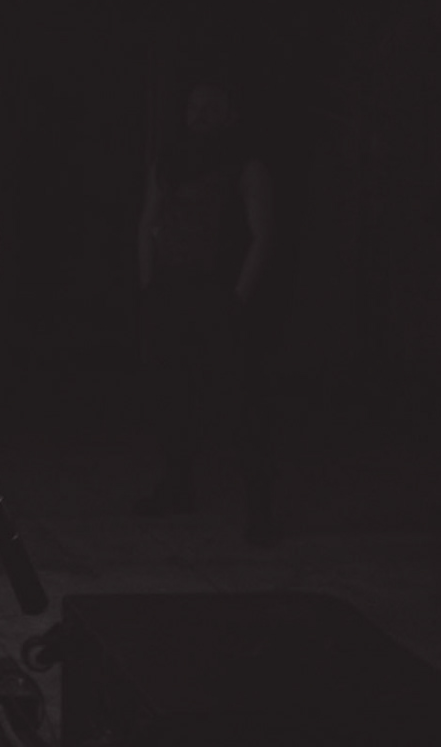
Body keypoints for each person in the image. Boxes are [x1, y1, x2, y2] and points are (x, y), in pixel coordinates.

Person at [133, 75, 277, 540]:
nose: (200, 117)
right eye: (195, 108)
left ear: (230, 114)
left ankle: (260, 505)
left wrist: (238, 297)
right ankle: (177, 486)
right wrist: (150, 284)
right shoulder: (169, 161)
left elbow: (262, 236)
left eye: (212, 108)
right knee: (171, 392)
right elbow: (149, 221)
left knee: (239, 399)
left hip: (218, 291)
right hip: (171, 289)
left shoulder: (246, 167)